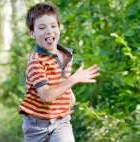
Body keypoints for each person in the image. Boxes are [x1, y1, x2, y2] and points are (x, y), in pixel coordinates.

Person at [18, 3, 100, 142]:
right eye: (42, 27)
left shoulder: (65, 55)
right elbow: (46, 96)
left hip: (61, 121)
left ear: (59, 28)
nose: (49, 31)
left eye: (53, 26)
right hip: (36, 125)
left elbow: (61, 83)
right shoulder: (35, 62)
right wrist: (74, 79)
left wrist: (69, 99)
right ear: (32, 33)